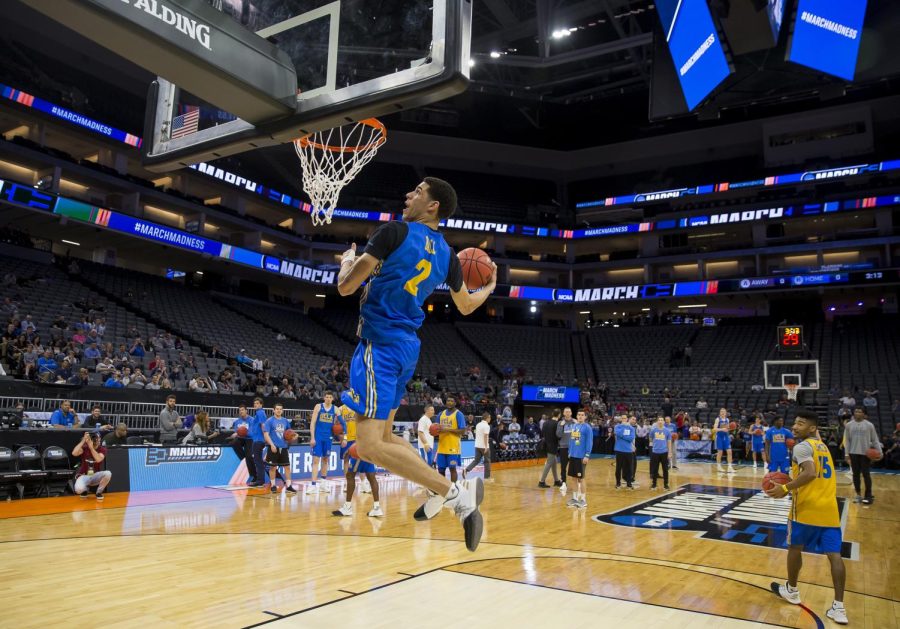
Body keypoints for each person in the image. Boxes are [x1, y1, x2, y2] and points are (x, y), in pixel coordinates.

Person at [336, 177, 496, 551]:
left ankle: (456, 495)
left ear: (433, 205)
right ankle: (439, 487)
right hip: (408, 347)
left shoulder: (393, 232)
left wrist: (346, 261)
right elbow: (467, 305)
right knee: (388, 437)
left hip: (380, 345)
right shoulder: (448, 255)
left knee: (370, 446)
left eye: (418, 191)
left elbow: (346, 287)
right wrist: (488, 287)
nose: (409, 194)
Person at [767, 410, 848, 625]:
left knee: (795, 548)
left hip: (805, 509)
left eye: (801, 424)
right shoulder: (822, 446)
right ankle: (839, 607)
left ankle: (792, 590)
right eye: (795, 422)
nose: (795, 426)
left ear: (811, 428)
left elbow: (810, 473)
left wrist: (785, 487)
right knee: (835, 556)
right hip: (829, 510)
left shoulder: (801, 446)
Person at [333, 405, 382, 517]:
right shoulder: (371, 417)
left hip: (361, 449)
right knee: (371, 477)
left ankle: (348, 506)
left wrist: (350, 450)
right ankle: (377, 507)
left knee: (350, 475)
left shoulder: (362, 417)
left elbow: (361, 436)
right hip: (369, 447)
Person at [307, 392, 345, 494]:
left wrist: (343, 436)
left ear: (332, 398)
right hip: (318, 437)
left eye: (330, 397)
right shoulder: (318, 407)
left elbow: (343, 423)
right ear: (324, 398)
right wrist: (312, 438)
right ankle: (313, 485)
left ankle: (323, 484)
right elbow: (313, 423)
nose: (328, 399)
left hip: (328, 438)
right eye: (327, 397)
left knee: (325, 460)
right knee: (315, 461)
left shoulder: (335, 409)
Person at [842, 409, 882, 505]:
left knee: (866, 474)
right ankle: (858, 495)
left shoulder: (869, 425)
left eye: (860, 411)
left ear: (864, 414)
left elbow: (875, 440)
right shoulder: (849, 425)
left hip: (865, 454)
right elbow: (847, 441)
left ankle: (868, 496)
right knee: (855, 475)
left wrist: (880, 452)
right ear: (854, 413)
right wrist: (847, 454)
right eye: (856, 411)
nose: (858, 413)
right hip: (853, 453)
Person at [263, 403, 296, 495]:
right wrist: (272, 445)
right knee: (273, 467)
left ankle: (289, 486)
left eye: (280, 409)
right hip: (273, 447)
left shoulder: (285, 421)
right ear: (273, 410)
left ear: (282, 411)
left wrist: (294, 436)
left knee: (287, 467)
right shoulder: (269, 421)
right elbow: (266, 434)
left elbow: (290, 433)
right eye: (277, 409)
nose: (278, 410)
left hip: (284, 447)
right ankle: (273, 485)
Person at [565, 410, 593, 508]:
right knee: (573, 478)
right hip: (573, 456)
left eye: (582, 415)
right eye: (579, 415)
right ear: (576, 416)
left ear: (585, 417)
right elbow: (572, 441)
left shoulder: (587, 428)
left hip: (581, 457)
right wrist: (570, 452)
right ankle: (575, 498)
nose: (580, 416)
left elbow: (590, 442)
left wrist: (587, 455)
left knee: (581, 479)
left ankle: (583, 500)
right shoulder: (574, 426)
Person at [435, 396, 467, 482]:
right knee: (440, 470)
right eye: (448, 400)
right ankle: (443, 488)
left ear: (455, 403)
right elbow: (436, 428)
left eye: (451, 401)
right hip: (441, 447)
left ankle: (453, 489)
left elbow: (463, 431)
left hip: (453, 447)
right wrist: (433, 432)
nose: (449, 402)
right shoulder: (440, 414)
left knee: (452, 469)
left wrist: (447, 429)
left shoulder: (459, 414)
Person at [72, 432, 111, 501]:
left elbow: (98, 459)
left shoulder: (102, 449)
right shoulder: (84, 448)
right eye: (96, 440)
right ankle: (85, 490)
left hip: (96, 475)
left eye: (99, 439)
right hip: (84, 475)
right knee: (78, 490)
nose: (98, 441)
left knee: (108, 473)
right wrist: (83, 440)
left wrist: (91, 448)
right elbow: (74, 453)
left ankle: (99, 492)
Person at [229, 405, 256, 484]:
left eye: (242, 410)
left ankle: (254, 476)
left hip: (250, 439)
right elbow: (236, 432)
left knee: (250, 457)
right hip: (241, 438)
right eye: (240, 410)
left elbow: (251, 433)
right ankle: (243, 458)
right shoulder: (237, 421)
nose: (241, 412)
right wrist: (236, 433)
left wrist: (240, 433)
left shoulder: (252, 420)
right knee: (233, 442)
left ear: (246, 411)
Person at [463, 412, 492, 482]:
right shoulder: (486, 426)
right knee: (487, 462)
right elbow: (485, 436)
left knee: (476, 460)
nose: (490, 419)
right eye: (490, 417)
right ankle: (487, 478)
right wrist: (485, 447)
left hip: (477, 445)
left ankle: (466, 470)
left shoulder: (478, 424)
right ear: (487, 418)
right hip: (484, 446)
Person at [248, 397, 268, 488]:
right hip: (257, 439)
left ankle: (260, 481)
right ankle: (260, 480)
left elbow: (263, 425)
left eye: (257, 403)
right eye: (254, 403)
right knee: (258, 460)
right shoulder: (259, 413)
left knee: (258, 461)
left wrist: (266, 438)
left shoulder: (260, 412)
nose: (255, 405)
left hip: (259, 440)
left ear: (261, 404)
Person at [538, 409, 561, 488]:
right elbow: (559, 435)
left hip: (545, 445)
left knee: (554, 463)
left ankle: (557, 481)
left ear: (552, 414)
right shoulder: (558, 424)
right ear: (559, 415)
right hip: (553, 446)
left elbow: (542, 433)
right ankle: (541, 481)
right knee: (548, 463)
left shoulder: (545, 423)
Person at [649, 417, 673, 490]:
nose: (660, 421)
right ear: (657, 422)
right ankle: (654, 484)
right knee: (655, 469)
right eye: (659, 420)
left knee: (665, 469)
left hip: (664, 452)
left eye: (661, 420)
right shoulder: (653, 430)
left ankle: (666, 485)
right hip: (655, 452)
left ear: (664, 422)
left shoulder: (667, 431)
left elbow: (669, 442)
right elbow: (650, 439)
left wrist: (670, 452)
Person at [556, 407, 575, 495]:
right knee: (563, 467)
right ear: (563, 413)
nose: (567, 413)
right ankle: (564, 483)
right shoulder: (560, 423)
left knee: (574, 466)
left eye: (569, 412)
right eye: (566, 412)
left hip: (574, 448)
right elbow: (558, 435)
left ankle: (576, 483)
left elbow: (579, 435)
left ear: (571, 413)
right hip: (563, 447)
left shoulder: (575, 422)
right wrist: (561, 426)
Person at [614, 416, 636, 490]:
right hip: (619, 449)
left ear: (627, 419)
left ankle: (629, 484)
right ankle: (618, 483)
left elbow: (631, 438)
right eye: (622, 418)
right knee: (618, 467)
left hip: (628, 450)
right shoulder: (617, 426)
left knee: (629, 468)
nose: (624, 419)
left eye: (625, 418)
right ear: (621, 419)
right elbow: (618, 433)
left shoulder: (632, 428)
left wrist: (622, 436)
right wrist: (623, 427)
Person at [713, 408, 736, 474]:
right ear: (720, 413)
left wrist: (730, 429)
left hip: (726, 436)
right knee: (720, 452)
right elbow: (714, 429)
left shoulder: (727, 420)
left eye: (724, 412)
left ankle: (729, 467)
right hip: (719, 437)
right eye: (721, 411)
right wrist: (722, 429)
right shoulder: (717, 419)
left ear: (726, 413)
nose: (722, 413)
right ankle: (719, 466)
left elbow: (727, 428)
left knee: (729, 451)